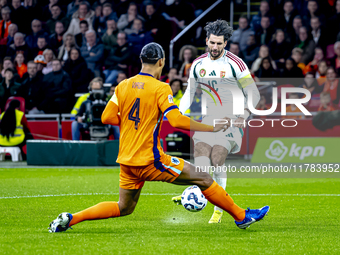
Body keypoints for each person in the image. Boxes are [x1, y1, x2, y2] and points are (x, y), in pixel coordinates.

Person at [49, 41, 269, 233]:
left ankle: (71, 219)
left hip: (127, 161)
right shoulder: (161, 88)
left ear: (141, 60)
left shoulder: (123, 85)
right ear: (161, 62)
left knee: (124, 207)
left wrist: (133, 122)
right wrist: (212, 128)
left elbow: (107, 117)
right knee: (204, 178)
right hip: (151, 159)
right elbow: (176, 121)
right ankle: (242, 217)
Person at [175, 20, 262, 224]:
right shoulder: (197, 64)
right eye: (212, 43)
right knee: (202, 159)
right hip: (208, 119)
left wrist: (245, 115)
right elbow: (189, 93)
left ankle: (218, 209)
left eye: (219, 44)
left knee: (217, 158)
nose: (215, 47)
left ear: (226, 44)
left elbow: (254, 93)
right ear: (206, 41)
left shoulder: (236, 63)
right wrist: (176, 112)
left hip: (232, 119)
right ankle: (196, 194)